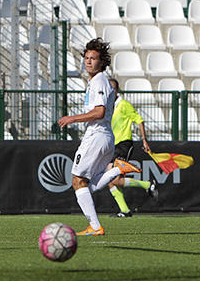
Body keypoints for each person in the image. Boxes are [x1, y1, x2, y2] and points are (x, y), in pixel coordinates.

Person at [57, 38, 141, 236]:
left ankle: (95, 226)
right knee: (85, 185)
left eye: (93, 58)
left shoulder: (100, 81)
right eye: (86, 58)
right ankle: (115, 171)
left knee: (78, 180)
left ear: (101, 62)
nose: (88, 62)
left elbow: (99, 112)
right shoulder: (96, 81)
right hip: (104, 137)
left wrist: (72, 118)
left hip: (96, 135)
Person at [106, 78, 158, 218]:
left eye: (113, 88)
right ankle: (125, 211)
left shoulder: (123, 105)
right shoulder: (107, 106)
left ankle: (146, 185)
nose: (110, 91)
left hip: (123, 144)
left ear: (117, 90)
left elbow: (139, 120)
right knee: (109, 180)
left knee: (114, 179)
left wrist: (144, 140)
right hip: (112, 145)